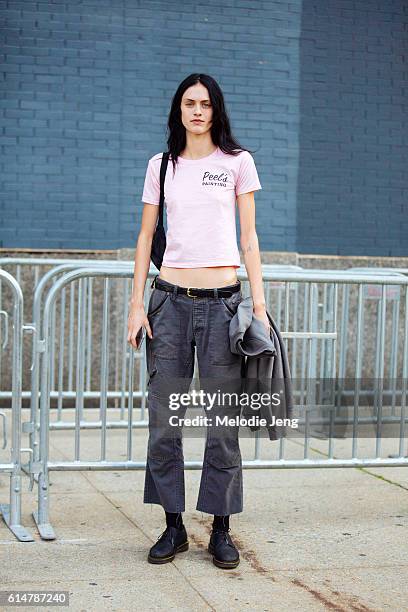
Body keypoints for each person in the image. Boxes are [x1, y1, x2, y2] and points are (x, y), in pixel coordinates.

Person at [127, 73, 269, 570]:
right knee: (165, 423)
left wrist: (260, 306)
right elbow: (146, 238)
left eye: (206, 104)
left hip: (224, 305)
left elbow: (249, 237)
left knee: (221, 424)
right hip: (168, 304)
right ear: (178, 110)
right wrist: (136, 302)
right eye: (189, 103)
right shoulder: (160, 166)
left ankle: (222, 529)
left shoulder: (237, 163)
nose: (197, 111)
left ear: (216, 110)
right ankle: (172, 526)